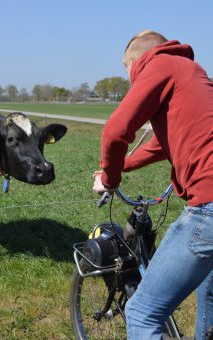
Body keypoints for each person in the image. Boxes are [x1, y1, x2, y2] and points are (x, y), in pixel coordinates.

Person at [93, 30, 213, 340]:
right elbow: (162, 144)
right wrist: (126, 164)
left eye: (129, 73)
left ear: (136, 61)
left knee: (142, 313)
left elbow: (115, 131)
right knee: (209, 291)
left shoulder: (159, 66)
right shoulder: (192, 72)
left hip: (209, 204)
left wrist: (109, 179)